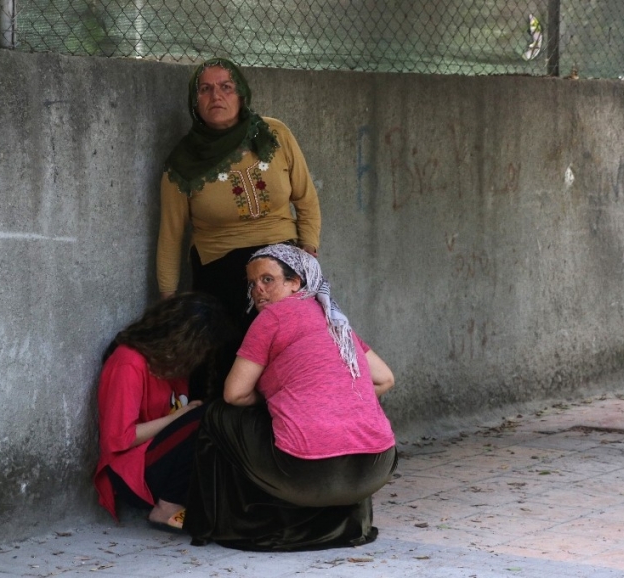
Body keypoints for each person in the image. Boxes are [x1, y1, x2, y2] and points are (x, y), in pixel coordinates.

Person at [184, 244, 397, 551]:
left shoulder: (273, 317)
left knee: (218, 414)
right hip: (376, 468)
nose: (258, 290)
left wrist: (278, 401)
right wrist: (339, 399)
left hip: (306, 475)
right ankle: (350, 522)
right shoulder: (334, 318)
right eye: (252, 283)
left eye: (267, 280)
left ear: (296, 282)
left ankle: (216, 523)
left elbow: (234, 393)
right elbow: (385, 379)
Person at [157, 57, 321, 332]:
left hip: (281, 258)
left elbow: (306, 199)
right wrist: (168, 299)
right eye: (205, 89)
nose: (216, 96)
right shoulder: (183, 162)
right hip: (220, 265)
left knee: (299, 340)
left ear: (242, 95)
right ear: (195, 102)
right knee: (228, 349)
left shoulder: (275, 134)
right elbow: (171, 235)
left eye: (226, 87)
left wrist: (308, 253)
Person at [93, 293, 237, 532]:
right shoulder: (128, 362)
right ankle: (166, 508)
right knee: (206, 417)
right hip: (133, 474)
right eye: (201, 348)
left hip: (160, 461)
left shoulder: (173, 366)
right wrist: (179, 417)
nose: (201, 357)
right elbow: (120, 438)